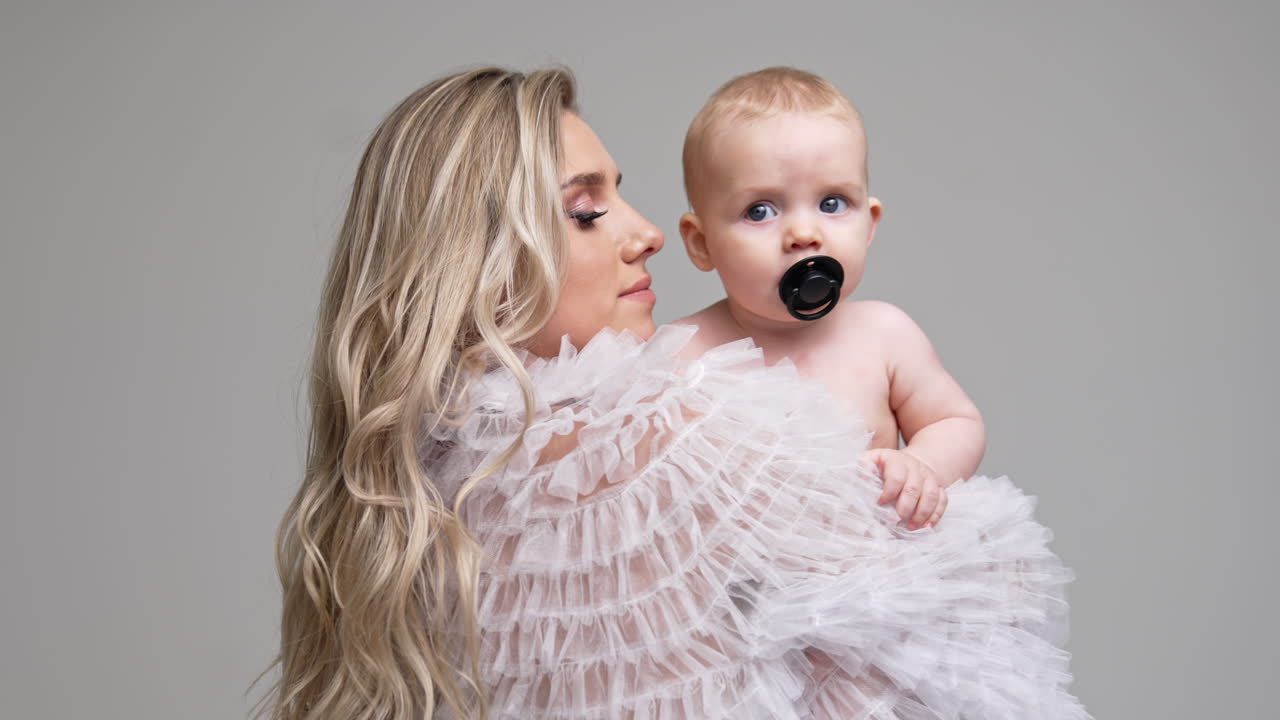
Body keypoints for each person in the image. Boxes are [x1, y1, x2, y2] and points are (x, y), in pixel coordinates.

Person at [259, 66, 1090, 719]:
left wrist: (927, 471)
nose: (646, 231)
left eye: (618, 194)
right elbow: (951, 613)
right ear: (474, 263)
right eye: (588, 211)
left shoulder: (439, 483)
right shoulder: (666, 419)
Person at [676, 67, 985, 533]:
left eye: (832, 203)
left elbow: (956, 421)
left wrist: (921, 467)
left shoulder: (885, 335)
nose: (804, 233)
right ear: (701, 243)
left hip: (871, 585)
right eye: (760, 211)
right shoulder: (680, 355)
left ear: (870, 223)